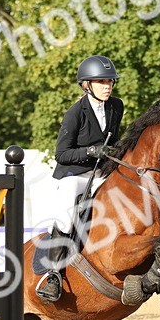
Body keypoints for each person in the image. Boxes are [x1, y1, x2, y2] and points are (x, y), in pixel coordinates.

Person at [36, 55, 125, 303]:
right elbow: (61, 154)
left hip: (100, 173)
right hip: (73, 174)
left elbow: (115, 141)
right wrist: (90, 151)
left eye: (110, 81)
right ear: (87, 84)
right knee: (65, 217)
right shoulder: (75, 113)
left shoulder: (116, 106)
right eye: (101, 81)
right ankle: (53, 275)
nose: (107, 86)